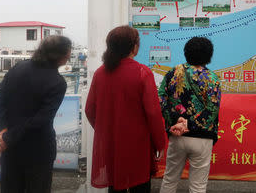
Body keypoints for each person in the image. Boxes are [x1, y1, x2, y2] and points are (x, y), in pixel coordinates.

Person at [85, 25, 166, 193]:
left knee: (114, 185)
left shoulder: (100, 73)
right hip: (138, 144)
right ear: (133, 46)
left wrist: (106, 129)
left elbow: (90, 110)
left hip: (112, 143)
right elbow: (153, 113)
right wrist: (160, 143)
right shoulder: (142, 72)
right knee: (140, 185)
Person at [0, 35, 72, 193]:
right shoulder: (57, 82)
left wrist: (1, 133)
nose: (69, 55)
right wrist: (6, 137)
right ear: (61, 55)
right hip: (38, 151)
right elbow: (40, 120)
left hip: (10, 149)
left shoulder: (18, 68)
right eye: (69, 52)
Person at [158, 36, 222, 193]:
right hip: (202, 138)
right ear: (209, 55)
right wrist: (191, 125)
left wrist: (175, 122)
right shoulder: (212, 79)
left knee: (169, 180)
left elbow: (161, 99)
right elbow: (212, 110)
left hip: (177, 135)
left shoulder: (173, 73)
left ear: (186, 53)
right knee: (198, 186)